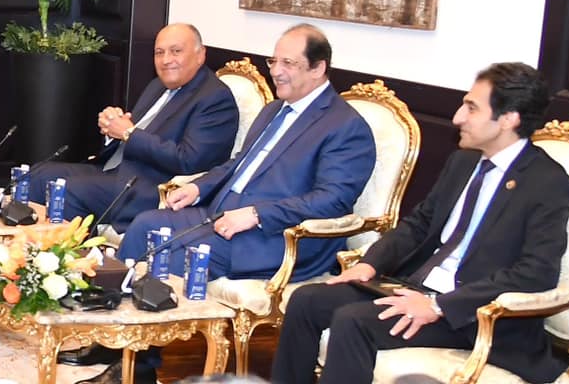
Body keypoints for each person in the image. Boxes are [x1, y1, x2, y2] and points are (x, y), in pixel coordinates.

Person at [88, 24, 377, 384]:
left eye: (288, 62)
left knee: (175, 253)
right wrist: (199, 187)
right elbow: (238, 164)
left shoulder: (345, 127)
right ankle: (111, 341)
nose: (276, 70)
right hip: (221, 215)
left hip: (276, 238)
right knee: (146, 224)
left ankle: (139, 367)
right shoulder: (274, 111)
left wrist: (257, 215)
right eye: (274, 60)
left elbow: (332, 200)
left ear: (318, 68)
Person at [274, 62, 569, 384]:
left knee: (353, 321)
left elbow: (536, 273)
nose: (457, 117)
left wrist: (439, 305)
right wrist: (370, 264)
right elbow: (419, 224)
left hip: (473, 316)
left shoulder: (546, 181)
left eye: (471, 108)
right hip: (416, 287)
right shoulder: (464, 160)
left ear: (508, 119)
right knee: (307, 301)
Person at [28, 23, 240, 229]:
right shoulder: (157, 85)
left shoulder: (215, 98)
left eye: (176, 51)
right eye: (159, 52)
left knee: (68, 190)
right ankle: (29, 253)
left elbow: (189, 160)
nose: (166, 60)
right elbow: (132, 132)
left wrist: (128, 133)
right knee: (38, 174)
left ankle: (70, 260)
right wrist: (111, 129)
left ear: (200, 54)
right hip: (115, 170)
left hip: (149, 186)